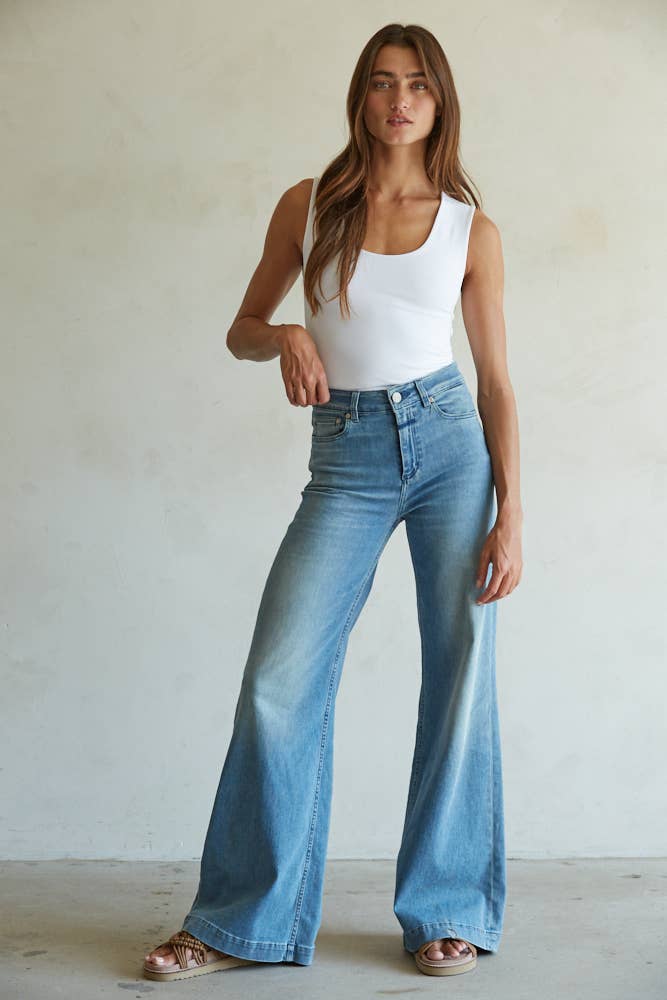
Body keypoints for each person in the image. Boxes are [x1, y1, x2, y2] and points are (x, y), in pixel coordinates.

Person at [143, 21, 523, 983]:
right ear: (359, 97)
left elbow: (496, 384)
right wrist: (281, 336)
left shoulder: (468, 228)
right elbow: (239, 328)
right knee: (279, 679)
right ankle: (240, 922)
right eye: (382, 84)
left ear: (440, 102)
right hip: (345, 457)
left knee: (459, 671)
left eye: (419, 86)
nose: (400, 101)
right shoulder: (307, 205)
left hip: (448, 448)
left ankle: (446, 911)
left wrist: (510, 512)